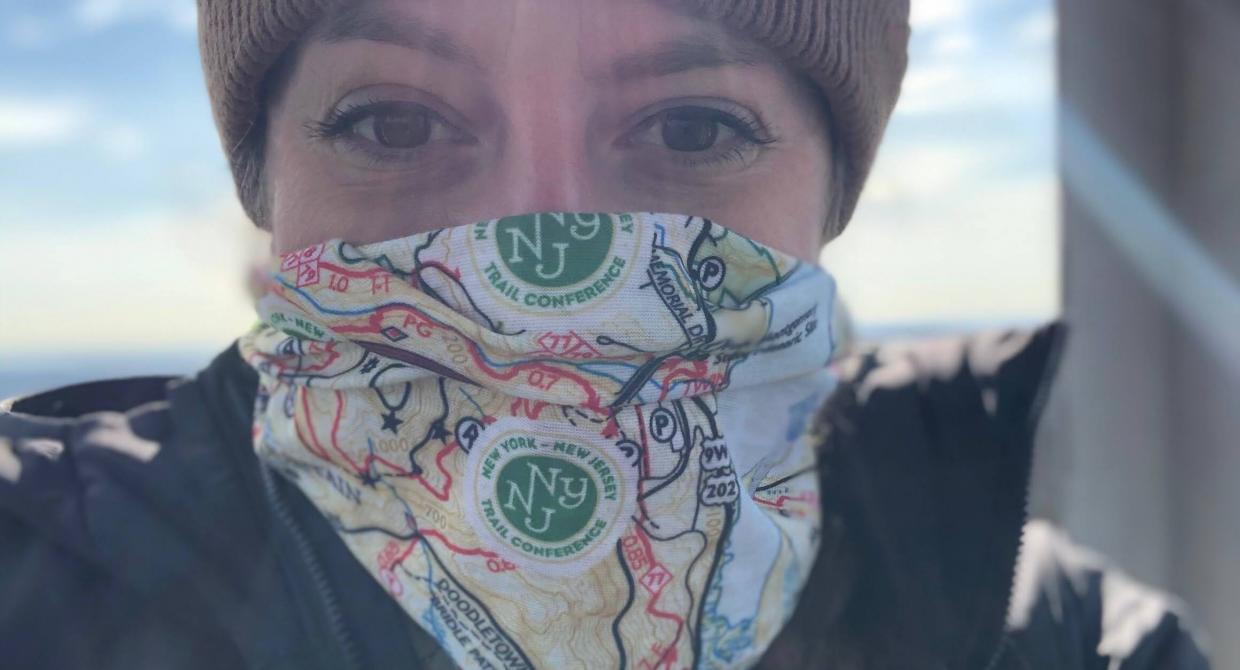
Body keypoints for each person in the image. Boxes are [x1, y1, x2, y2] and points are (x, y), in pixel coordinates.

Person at [0, 1, 1211, 668]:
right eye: (389, 123)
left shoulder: (1061, 646)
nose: (534, 248)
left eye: (690, 130)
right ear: (268, 189)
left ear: (829, 200)